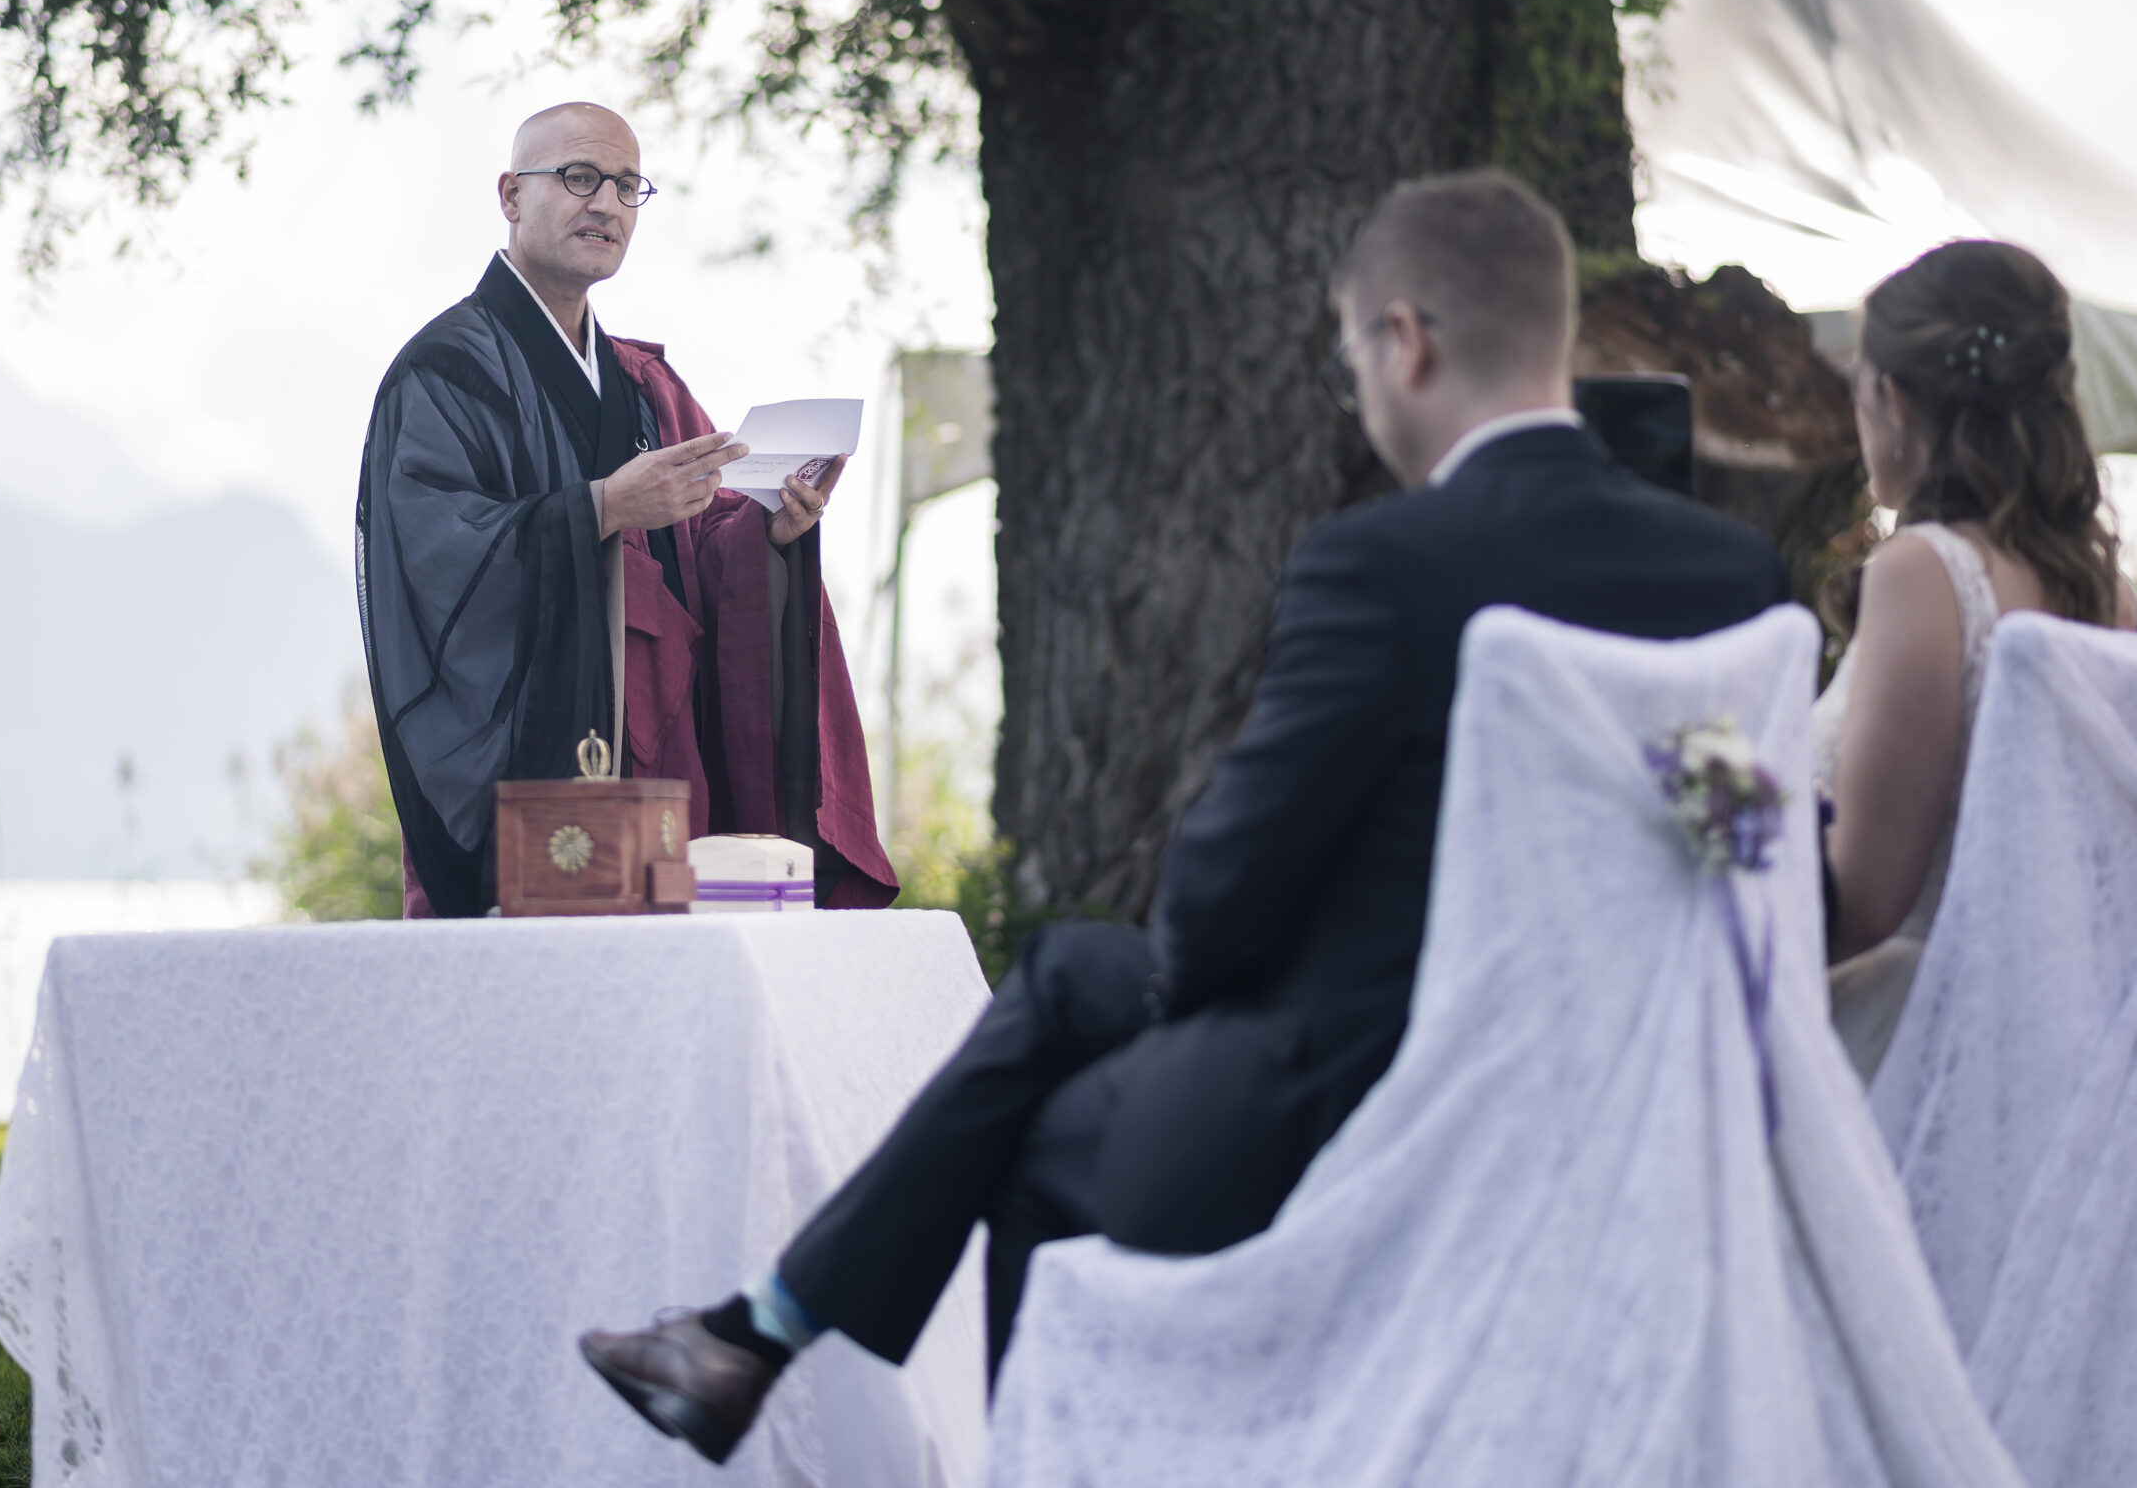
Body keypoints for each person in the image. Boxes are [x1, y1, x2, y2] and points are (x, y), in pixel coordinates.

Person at [576, 168, 1794, 1464]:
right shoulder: (1730, 576)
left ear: (1407, 339)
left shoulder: (1379, 565)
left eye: (1350, 358)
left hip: (1365, 1093)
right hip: (1626, 1072)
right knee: (1064, 974)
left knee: (1041, 1115)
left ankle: (806, 1352)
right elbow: (1754, 860)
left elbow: (1217, 904)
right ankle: (752, 1327)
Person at [356, 102, 895, 917]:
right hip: (537, 782)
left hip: (666, 773)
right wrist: (601, 506)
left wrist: (769, 530)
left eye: (626, 185)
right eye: (578, 177)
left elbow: (702, 551)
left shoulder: (646, 387)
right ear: (510, 195)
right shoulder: (442, 374)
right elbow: (433, 559)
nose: (604, 203)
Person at [1819, 239, 2137, 1079]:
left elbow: (1864, 905)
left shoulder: (1925, 575)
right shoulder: (2114, 598)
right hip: (2054, 1060)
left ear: (1891, 398)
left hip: (1902, 1062)